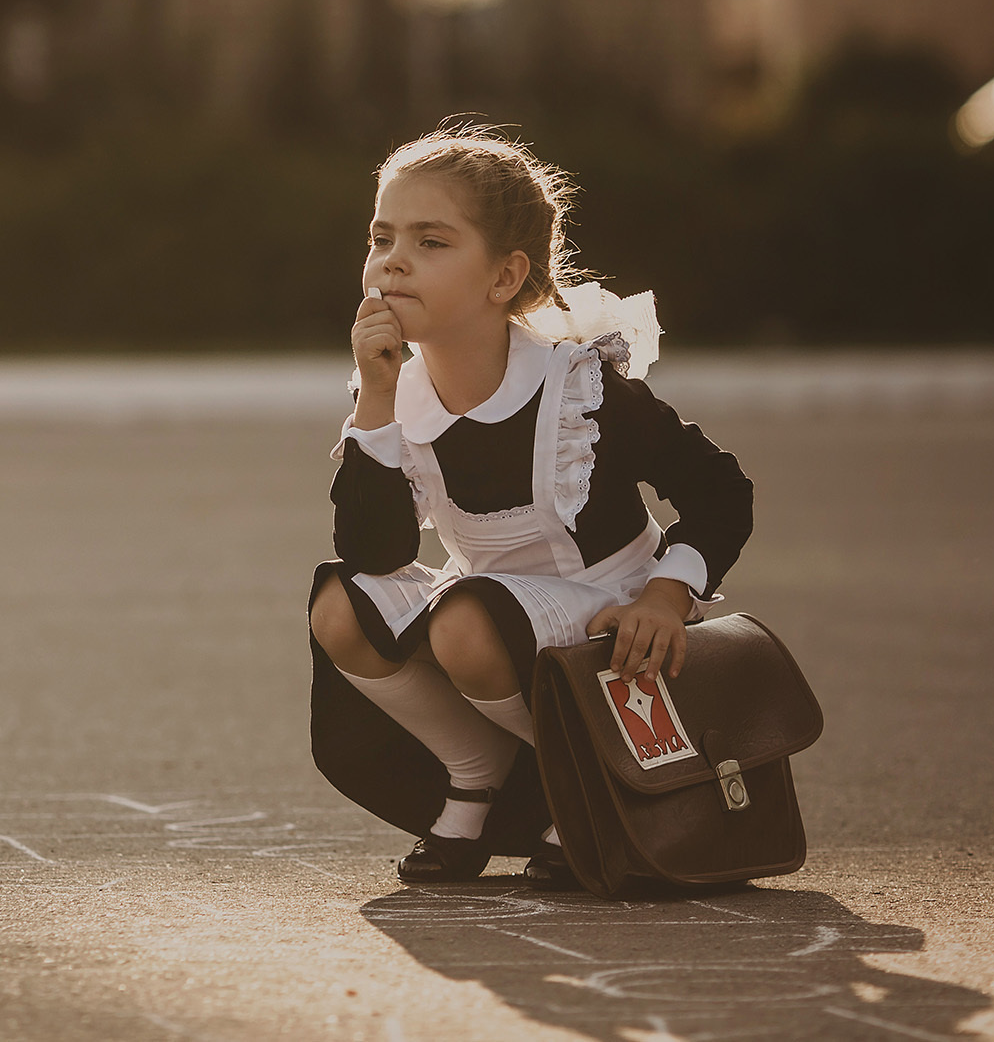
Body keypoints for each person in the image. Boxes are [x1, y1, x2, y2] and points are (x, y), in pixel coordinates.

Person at [307, 122, 754, 884]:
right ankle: (475, 769)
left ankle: (589, 778)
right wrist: (376, 397)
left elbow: (721, 489)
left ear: (504, 277)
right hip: (491, 609)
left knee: (465, 624)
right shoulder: (396, 389)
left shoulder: (577, 385)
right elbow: (375, 552)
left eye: (432, 241)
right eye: (381, 237)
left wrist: (667, 594)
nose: (393, 261)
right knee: (341, 607)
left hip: (605, 609)